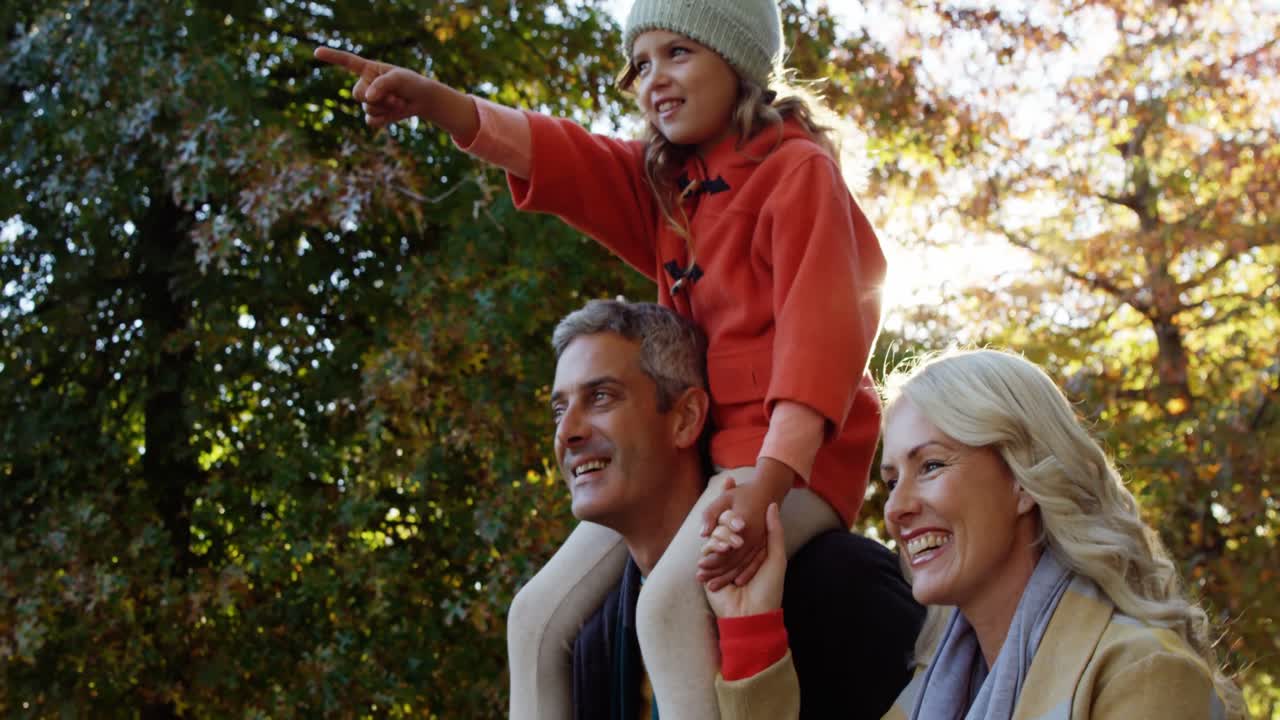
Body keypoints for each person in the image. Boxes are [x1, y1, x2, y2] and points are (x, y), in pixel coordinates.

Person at [315, 1, 887, 717]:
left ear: (737, 60)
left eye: (678, 52)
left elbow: (825, 332)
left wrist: (768, 484)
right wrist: (441, 105)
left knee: (669, 607)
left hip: (790, 461)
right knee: (535, 616)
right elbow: (566, 156)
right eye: (640, 63)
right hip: (703, 457)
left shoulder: (797, 172)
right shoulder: (669, 187)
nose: (654, 79)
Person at [703, 349, 1244, 720]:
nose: (897, 507)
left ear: (1024, 480)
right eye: (891, 481)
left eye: (932, 465)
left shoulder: (1141, 675)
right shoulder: (930, 694)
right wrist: (750, 624)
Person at [547, 299, 921, 719]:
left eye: (600, 397)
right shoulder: (593, 636)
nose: (568, 432)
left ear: (686, 418)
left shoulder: (844, 585)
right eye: (559, 409)